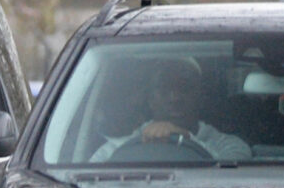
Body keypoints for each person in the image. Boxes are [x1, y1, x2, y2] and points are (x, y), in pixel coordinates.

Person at [93, 57, 251, 162]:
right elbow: (86, 181)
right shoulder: (116, 150)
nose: (175, 97)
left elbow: (232, 180)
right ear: (150, 100)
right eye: (164, 89)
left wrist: (185, 138)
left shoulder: (230, 146)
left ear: (201, 97)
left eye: (185, 88)